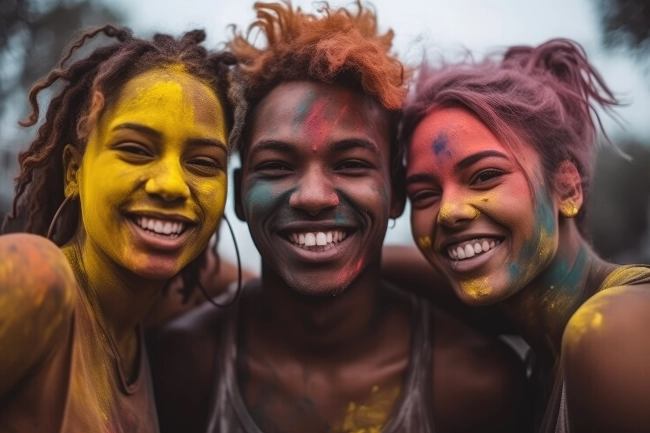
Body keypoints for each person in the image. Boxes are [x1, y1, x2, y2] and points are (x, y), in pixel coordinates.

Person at [148, 3, 529, 433]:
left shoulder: (476, 386)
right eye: (276, 166)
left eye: (350, 164)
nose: (312, 197)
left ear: (397, 194)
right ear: (238, 195)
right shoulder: (178, 367)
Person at [0, 26, 242, 432]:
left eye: (202, 162)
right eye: (134, 150)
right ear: (75, 171)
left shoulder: (139, 330)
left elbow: (257, 288)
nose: (169, 185)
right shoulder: (33, 281)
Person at [400, 38, 650, 432]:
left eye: (485, 176)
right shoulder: (543, 336)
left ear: (567, 187)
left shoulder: (609, 331)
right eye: (425, 195)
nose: (449, 212)